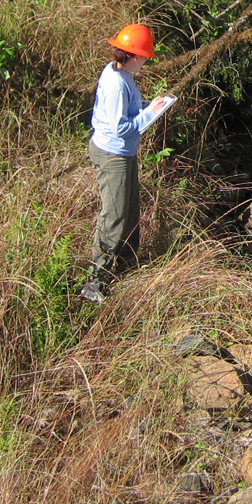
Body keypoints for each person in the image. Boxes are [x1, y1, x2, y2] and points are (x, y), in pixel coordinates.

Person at [81, 23, 170, 303]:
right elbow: (120, 128)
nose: (146, 60)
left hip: (123, 154)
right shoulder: (116, 85)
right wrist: (151, 114)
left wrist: (148, 107)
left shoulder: (121, 72)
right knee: (115, 217)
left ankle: (128, 266)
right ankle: (95, 282)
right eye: (144, 56)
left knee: (131, 212)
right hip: (113, 155)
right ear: (132, 55)